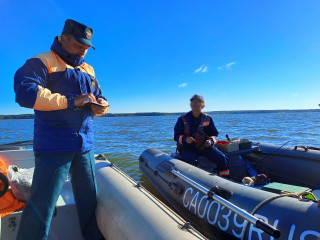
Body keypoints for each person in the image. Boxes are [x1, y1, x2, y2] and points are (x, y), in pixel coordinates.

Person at [14, 19, 109, 240]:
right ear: (63, 38)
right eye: (78, 45)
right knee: (42, 206)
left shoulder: (89, 69)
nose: (83, 51)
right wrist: (72, 101)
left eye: (87, 47)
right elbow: (25, 94)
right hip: (54, 146)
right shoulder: (41, 61)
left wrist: (101, 106)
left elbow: (101, 97)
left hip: (85, 146)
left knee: (89, 201)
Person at [174, 94, 230, 178]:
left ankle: (226, 180)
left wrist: (210, 142)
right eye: (194, 102)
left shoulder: (208, 118)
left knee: (221, 157)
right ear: (191, 105)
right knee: (190, 161)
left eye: (199, 102)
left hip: (204, 146)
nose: (196, 104)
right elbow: (176, 136)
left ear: (203, 105)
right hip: (188, 147)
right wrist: (185, 139)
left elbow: (214, 134)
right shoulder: (182, 119)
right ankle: (196, 181)